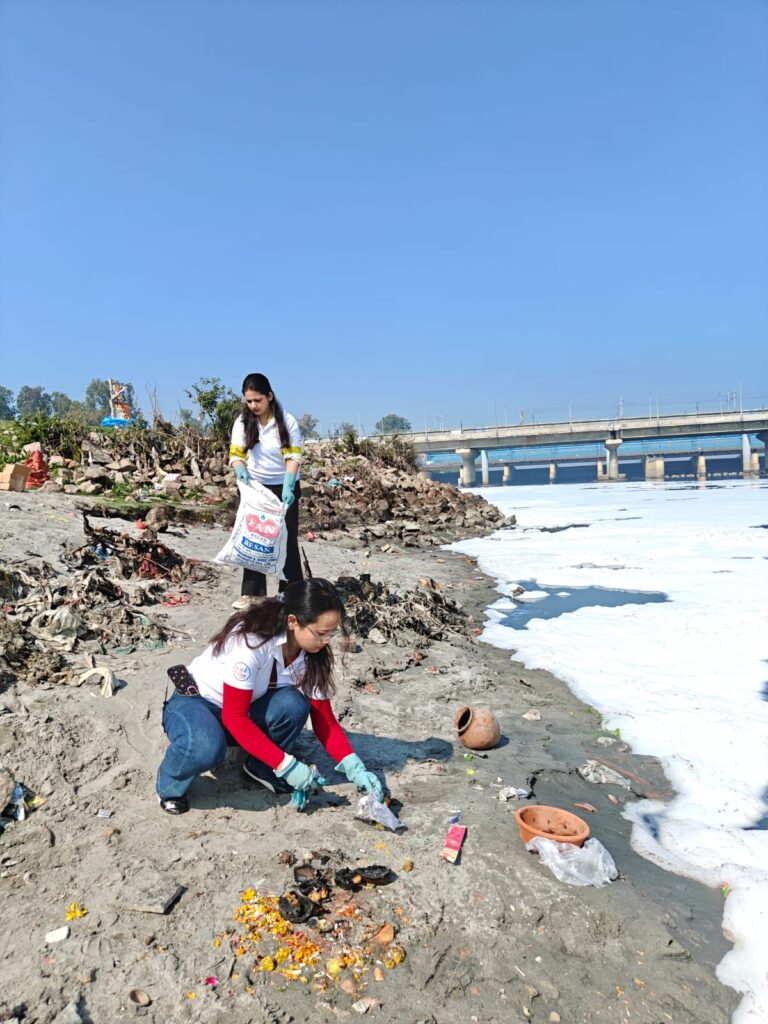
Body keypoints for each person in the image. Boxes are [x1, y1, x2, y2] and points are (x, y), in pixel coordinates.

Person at [155, 578, 383, 815]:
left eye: (331, 634)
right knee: (205, 747)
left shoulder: (311, 653)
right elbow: (235, 718)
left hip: (243, 709)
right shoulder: (252, 642)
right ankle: (169, 786)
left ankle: (262, 767)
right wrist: (288, 765)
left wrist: (354, 766)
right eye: (321, 633)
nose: (326, 642)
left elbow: (324, 720)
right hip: (198, 702)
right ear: (293, 622)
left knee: (294, 704)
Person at [229, 372, 303, 610]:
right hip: (255, 486)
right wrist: (240, 469)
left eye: (257, 400)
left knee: (286, 538)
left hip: (284, 484)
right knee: (254, 538)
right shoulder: (242, 422)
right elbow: (236, 454)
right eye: (249, 401)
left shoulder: (287, 421)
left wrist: (289, 485)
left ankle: (290, 591)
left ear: (269, 396)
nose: (253, 405)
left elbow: (293, 457)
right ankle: (252, 593)